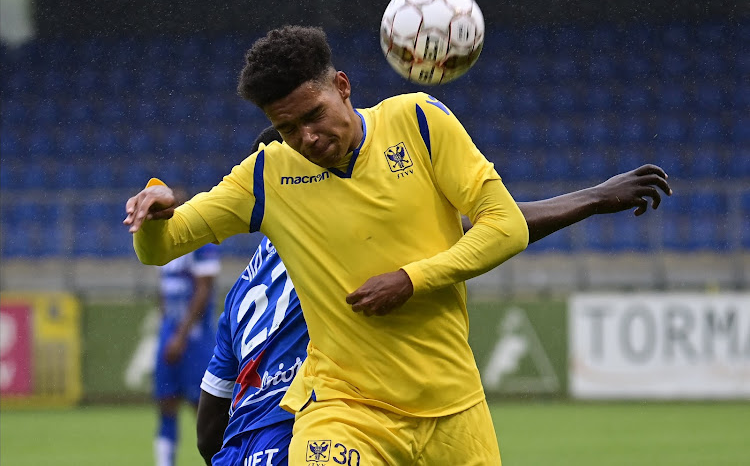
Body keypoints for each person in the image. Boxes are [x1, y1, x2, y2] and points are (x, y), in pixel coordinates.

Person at [124, 25, 671, 465]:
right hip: (344, 407)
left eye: (313, 116)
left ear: (342, 86)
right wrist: (156, 201)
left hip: (453, 408)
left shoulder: (419, 122)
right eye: (287, 128)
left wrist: (412, 279)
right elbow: (160, 247)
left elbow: (502, 225)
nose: (307, 139)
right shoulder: (267, 173)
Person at [194, 127, 671, 466]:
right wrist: (594, 198)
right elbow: (490, 227)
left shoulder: (239, 296)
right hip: (296, 437)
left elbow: (209, 423)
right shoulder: (337, 248)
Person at [153, 186, 221, 466]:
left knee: (204, 410)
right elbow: (164, 290)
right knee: (165, 403)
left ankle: (222, 458)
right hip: (170, 332)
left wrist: (180, 336)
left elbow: (203, 290)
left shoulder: (200, 242)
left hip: (194, 338)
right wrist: (166, 325)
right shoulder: (162, 241)